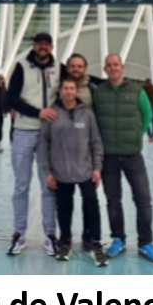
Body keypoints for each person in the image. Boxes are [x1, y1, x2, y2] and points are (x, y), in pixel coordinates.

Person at [93, 55, 153, 263]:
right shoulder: (99, 93)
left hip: (133, 155)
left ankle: (146, 243)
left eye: (116, 65)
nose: (113, 68)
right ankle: (118, 239)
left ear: (122, 67)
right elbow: (94, 119)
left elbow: (147, 115)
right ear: (105, 69)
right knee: (113, 201)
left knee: (143, 200)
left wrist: (136, 136)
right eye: (109, 65)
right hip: (109, 156)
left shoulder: (137, 91)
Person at [40, 78, 108, 267]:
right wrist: (48, 172)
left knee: (91, 206)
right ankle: (65, 241)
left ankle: (95, 242)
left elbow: (96, 142)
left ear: (76, 91)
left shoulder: (87, 114)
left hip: (85, 170)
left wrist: (97, 168)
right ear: (60, 91)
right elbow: (43, 144)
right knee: (64, 208)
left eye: (72, 88)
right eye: (65, 88)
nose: (69, 92)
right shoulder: (52, 114)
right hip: (61, 171)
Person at [6, 33, 62, 257]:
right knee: (21, 186)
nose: (43, 47)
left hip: (48, 134)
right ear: (34, 46)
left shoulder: (58, 68)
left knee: (49, 186)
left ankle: (50, 235)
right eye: (39, 44)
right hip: (24, 131)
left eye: (46, 44)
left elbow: (81, 80)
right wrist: (37, 112)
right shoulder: (21, 67)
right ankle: (19, 234)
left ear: (51, 47)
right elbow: (11, 98)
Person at [63, 53, 104, 251]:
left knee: (90, 198)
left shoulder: (92, 89)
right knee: (64, 199)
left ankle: (90, 235)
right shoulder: (61, 88)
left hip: (85, 151)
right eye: (73, 66)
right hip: (64, 151)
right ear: (67, 68)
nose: (76, 69)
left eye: (79, 66)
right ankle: (65, 237)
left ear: (85, 69)